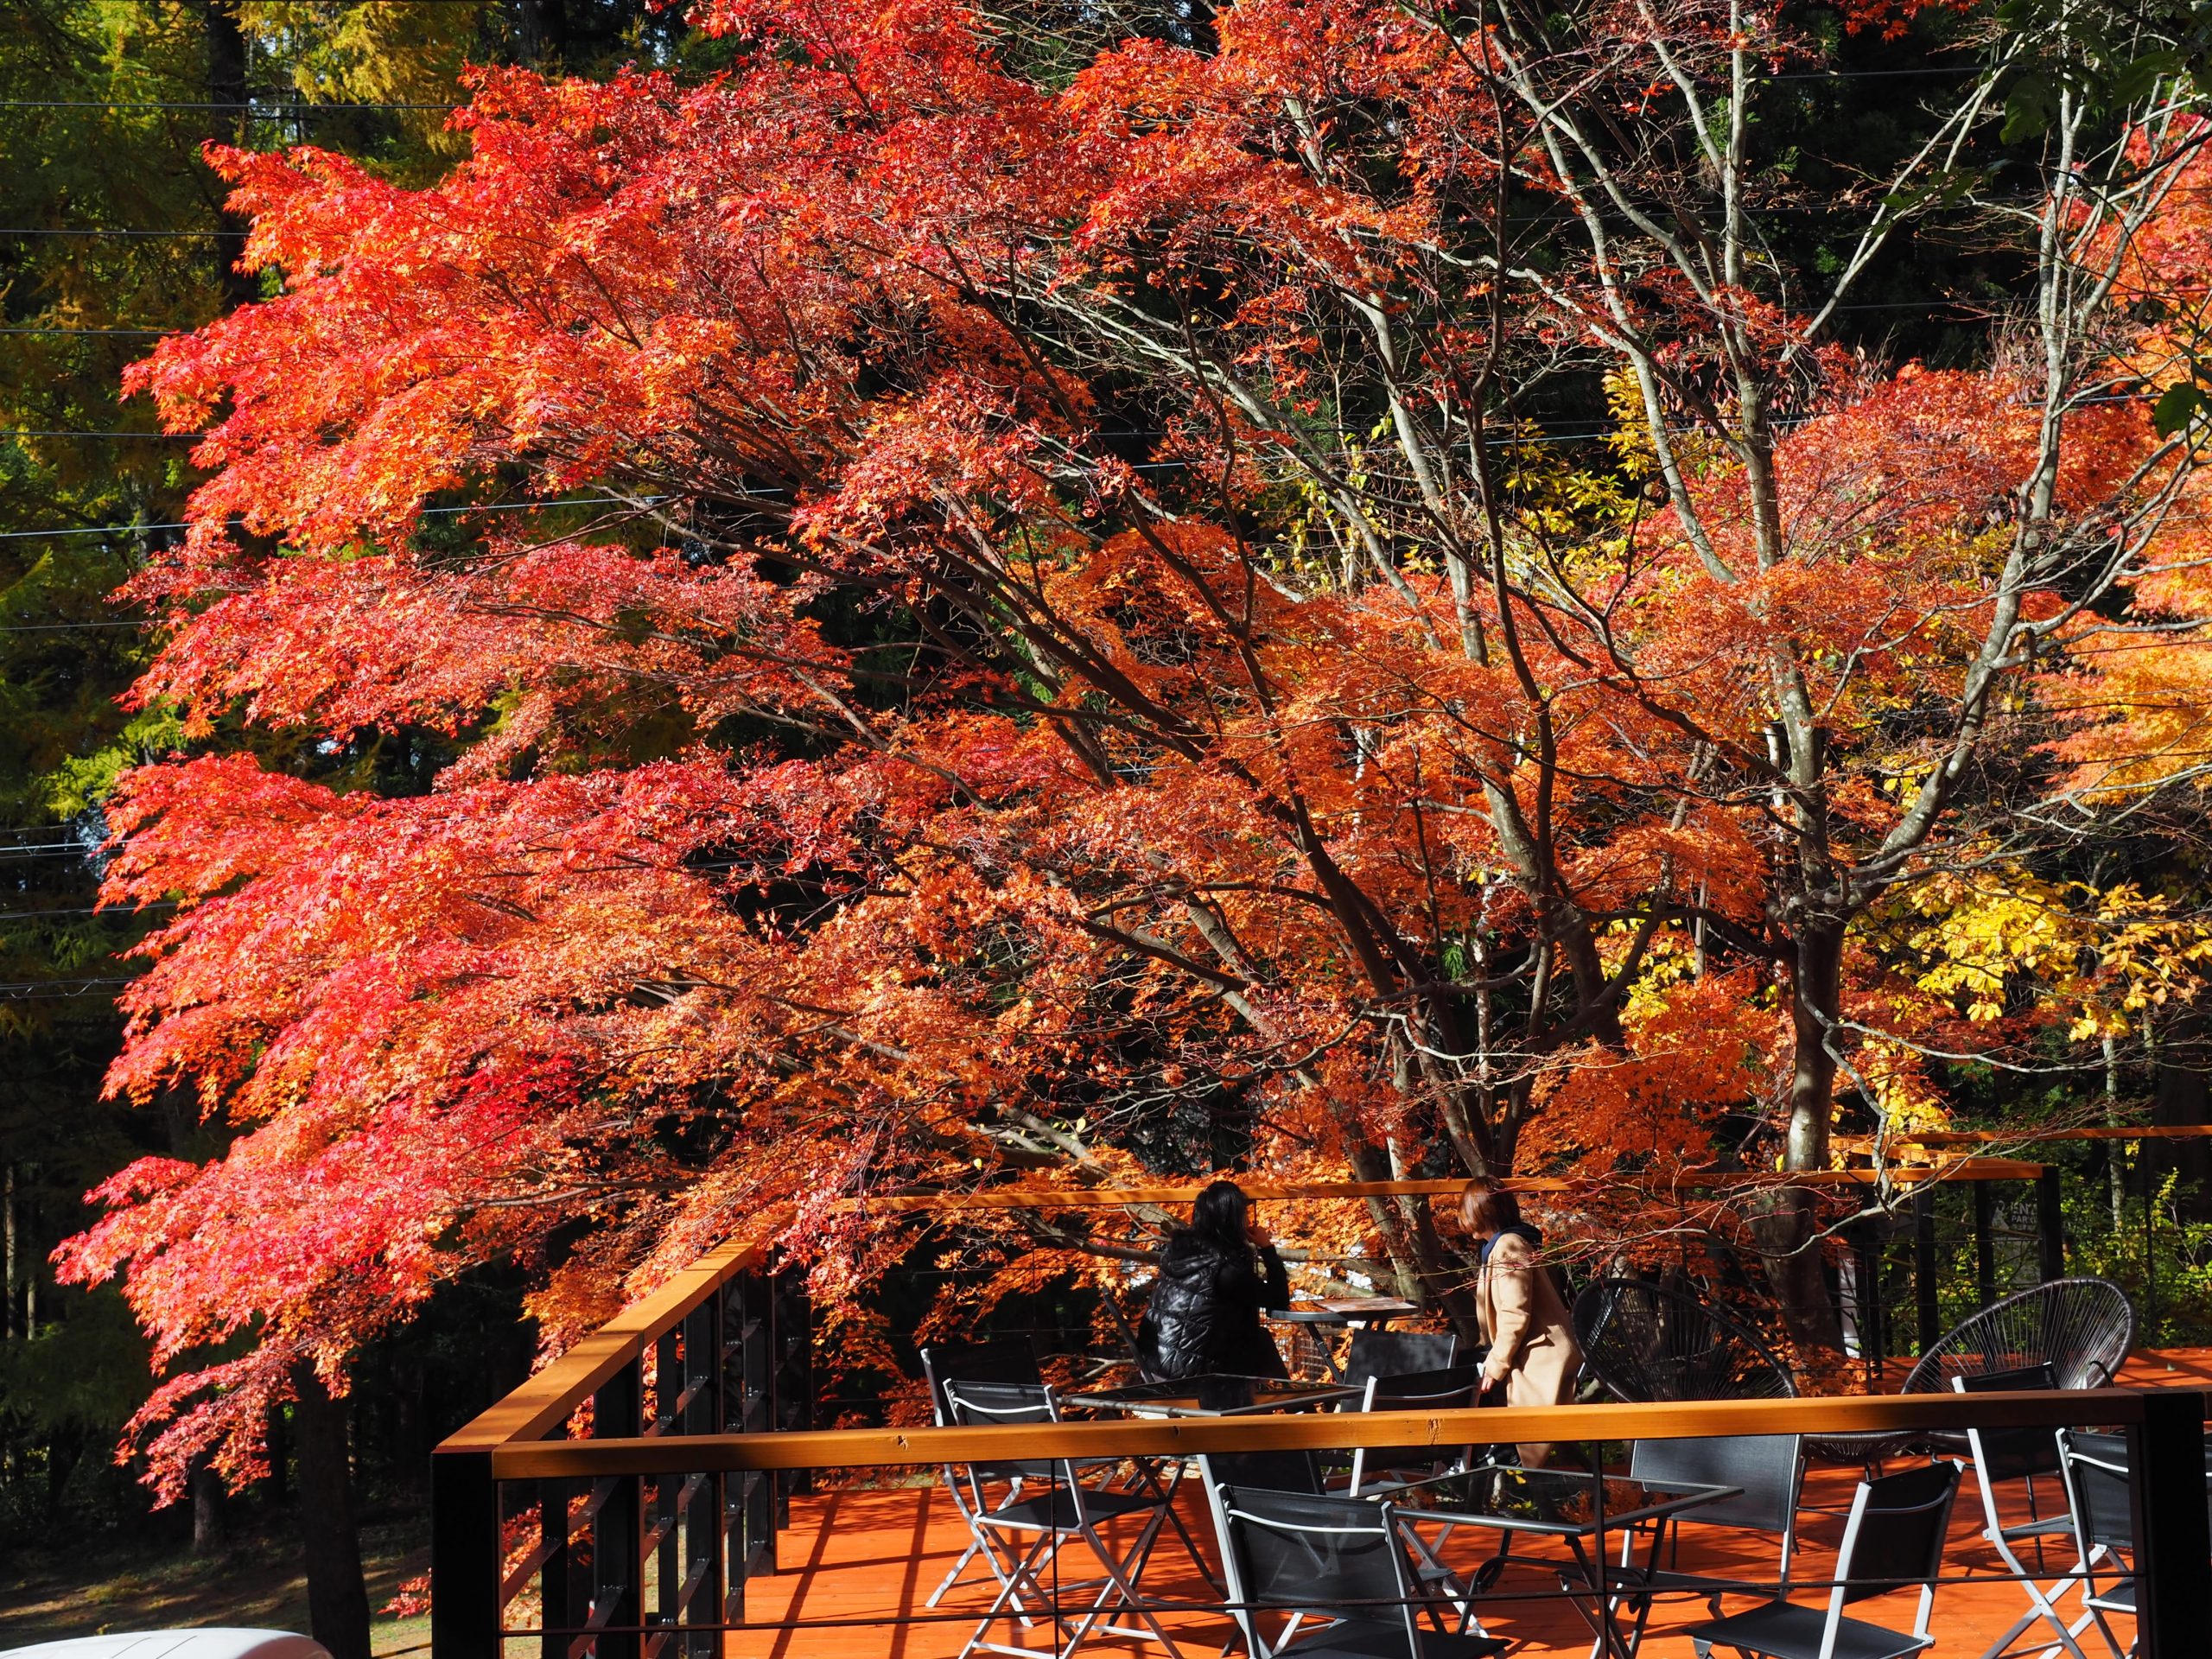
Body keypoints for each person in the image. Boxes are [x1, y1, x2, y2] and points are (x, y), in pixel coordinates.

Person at [1462, 1179, 1582, 1465]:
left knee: (1520, 1443)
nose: (1462, 1219)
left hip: (1543, 1356)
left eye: (1465, 1210)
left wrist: (1495, 1365)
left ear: (1481, 1211)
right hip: (1532, 1350)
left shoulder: (1508, 1246)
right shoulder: (1502, 1245)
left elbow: (1515, 1314)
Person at [1136, 1180, 1291, 1380]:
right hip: (1187, 1377)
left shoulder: (1178, 1253)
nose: (1248, 1221)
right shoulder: (1225, 1269)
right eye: (1244, 1214)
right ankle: (1295, 1399)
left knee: (1258, 1339)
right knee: (1258, 1341)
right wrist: (1267, 1249)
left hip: (1153, 1367)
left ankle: (1293, 1399)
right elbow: (1278, 1300)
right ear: (1233, 1221)